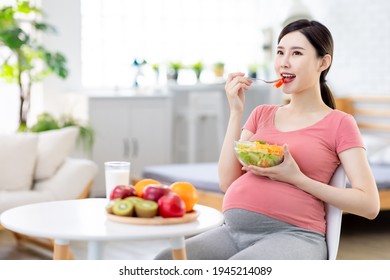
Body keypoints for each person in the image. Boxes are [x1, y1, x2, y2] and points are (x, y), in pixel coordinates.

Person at [155, 19, 380, 260]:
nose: (284, 61)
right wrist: (235, 112)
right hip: (231, 232)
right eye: (280, 52)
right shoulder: (262, 113)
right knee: (165, 261)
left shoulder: (340, 123)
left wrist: (298, 179)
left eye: (296, 53)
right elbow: (227, 181)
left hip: (294, 235)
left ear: (323, 62)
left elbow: (369, 204)